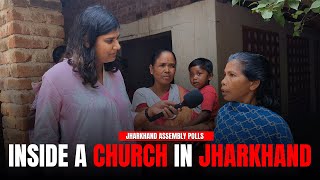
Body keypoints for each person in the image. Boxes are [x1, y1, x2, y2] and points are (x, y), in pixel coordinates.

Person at [31, 5, 177, 166]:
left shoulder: (114, 74)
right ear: (86, 40)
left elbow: (124, 121)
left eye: (117, 38)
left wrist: (149, 112)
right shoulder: (56, 78)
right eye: (109, 40)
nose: (118, 46)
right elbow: (44, 143)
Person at [213, 52, 294, 144]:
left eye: (232, 75)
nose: (223, 81)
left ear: (254, 84)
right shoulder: (222, 113)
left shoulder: (275, 124)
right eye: (225, 74)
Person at [186, 58, 219, 129]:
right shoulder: (198, 91)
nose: (194, 78)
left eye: (199, 74)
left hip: (208, 123)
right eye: (191, 75)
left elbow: (205, 114)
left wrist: (189, 125)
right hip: (202, 121)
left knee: (185, 130)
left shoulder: (208, 91)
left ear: (209, 76)